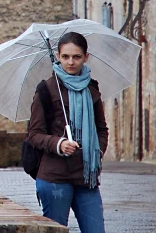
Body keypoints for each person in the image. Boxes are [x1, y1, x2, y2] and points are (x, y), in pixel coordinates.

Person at [27, 31, 109, 232]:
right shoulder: (46, 89)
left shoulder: (91, 88)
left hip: (86, 176)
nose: (70, 62)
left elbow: (101, 129)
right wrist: (59, 144)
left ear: (86, 57)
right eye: (65, 57)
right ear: (58, 56)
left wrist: (96, 153)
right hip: (54, 177)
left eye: (76, 57)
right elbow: (34, 134)